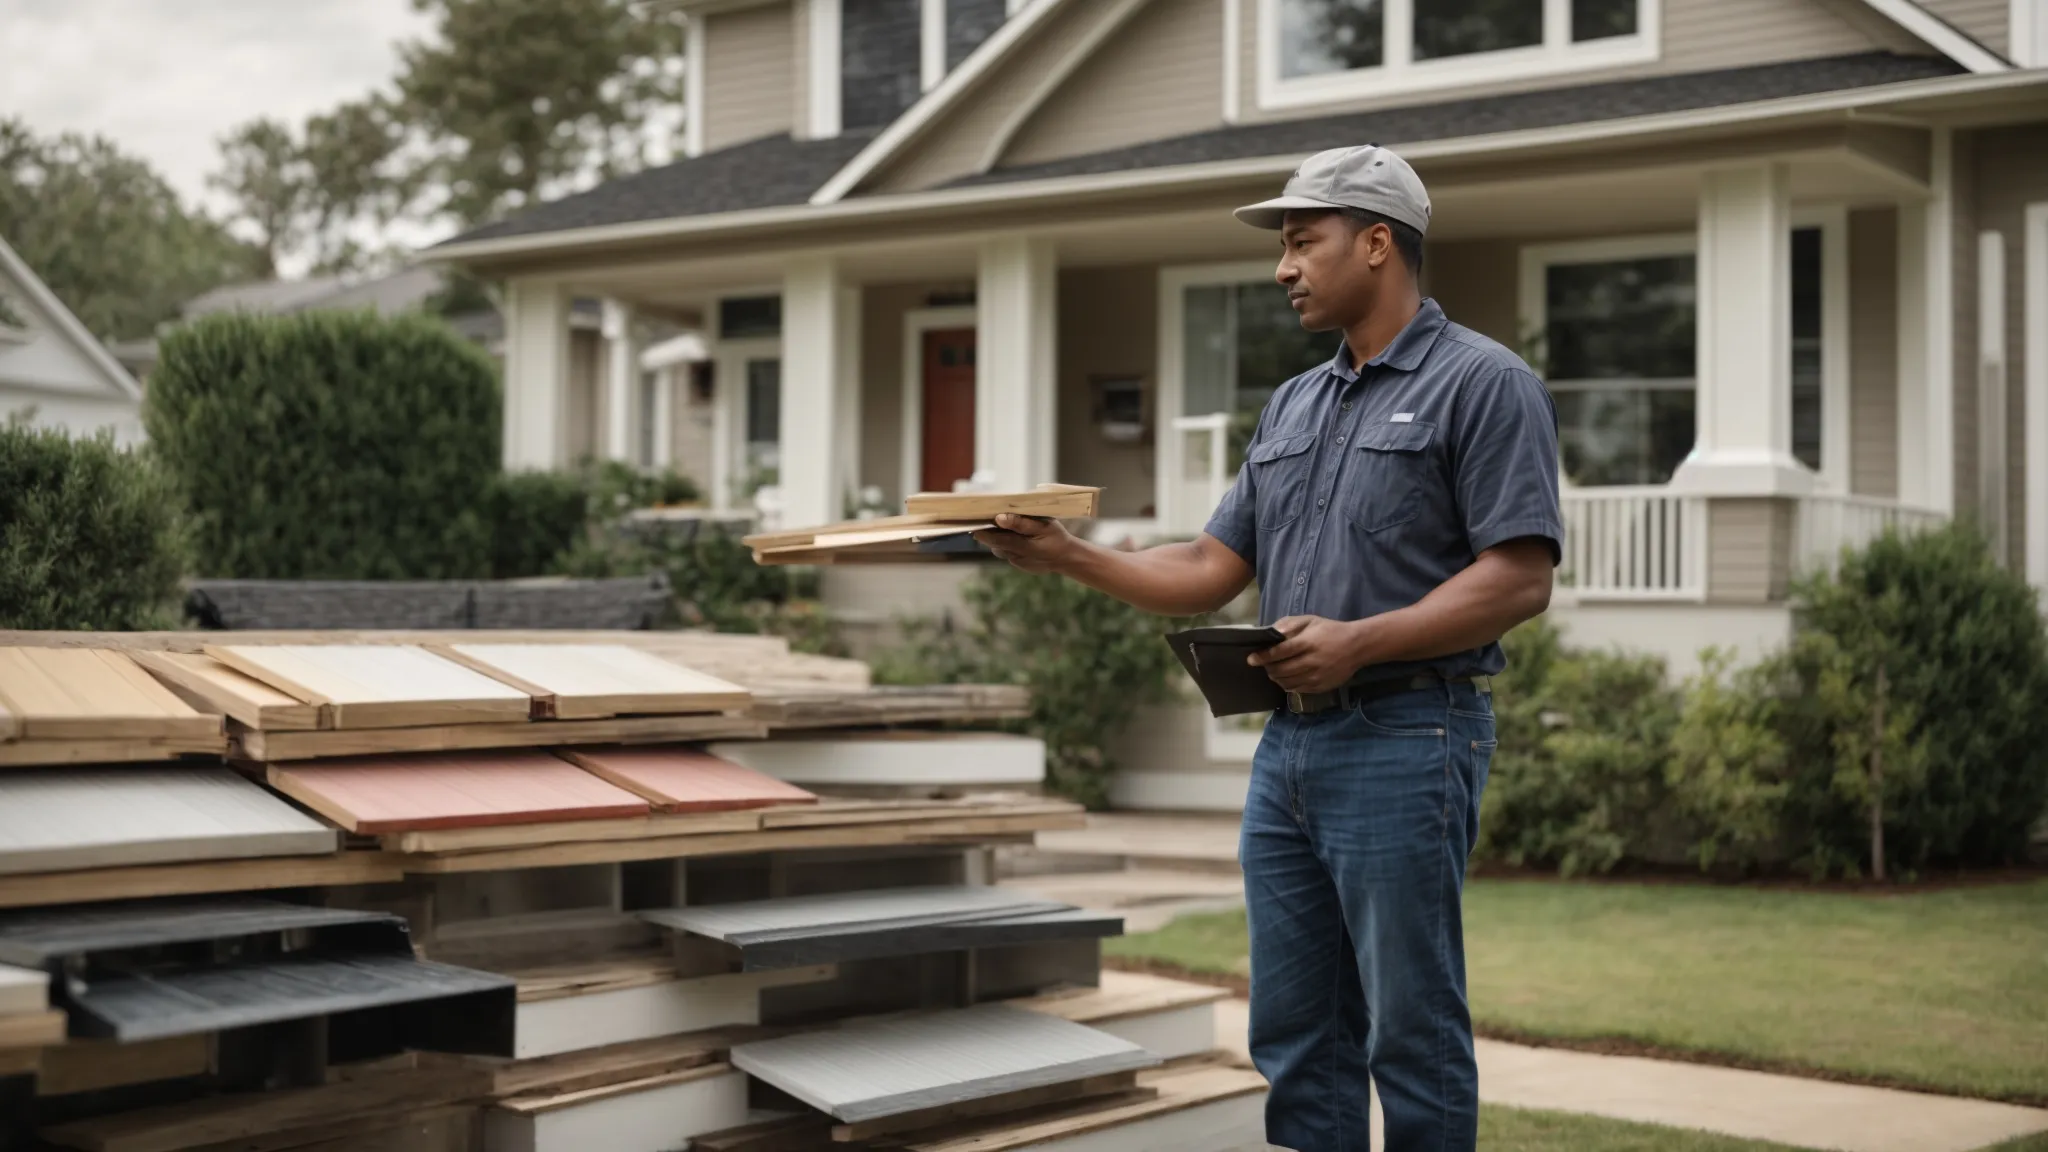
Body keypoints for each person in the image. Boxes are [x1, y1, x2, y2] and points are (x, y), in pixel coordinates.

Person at [974, 144, 1562, 1151]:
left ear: (1376, 243)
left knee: (1410, 1032)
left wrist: (1358, 642)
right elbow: (1209, 564)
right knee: (1295, 1033)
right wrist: (1068, 556)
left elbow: (1517, 578)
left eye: (1301, 242)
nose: (1280, 267)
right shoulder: (1293, 405)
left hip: (1408, 734)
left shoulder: (1483, 383)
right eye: (1282, 247)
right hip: (1285, 752)